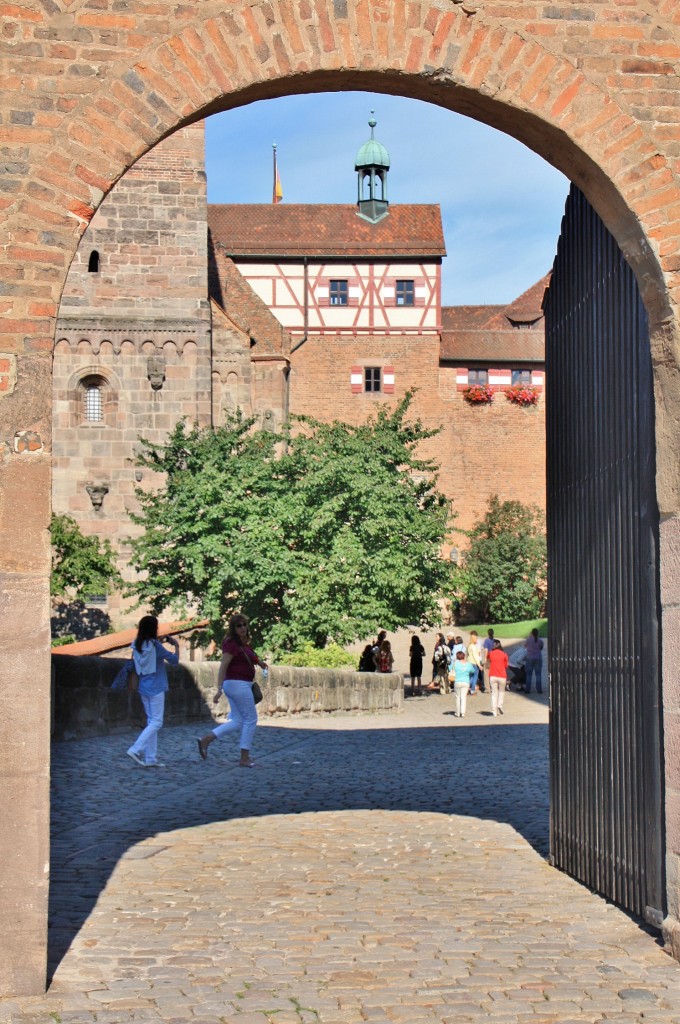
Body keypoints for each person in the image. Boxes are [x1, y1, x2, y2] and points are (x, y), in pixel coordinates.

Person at [197, 613, 268, 768]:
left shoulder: (243, 644)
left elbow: (251, 657)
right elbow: (223, 665)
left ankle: (206, 740)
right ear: (233, 628)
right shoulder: (231, 644)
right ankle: (244, 758)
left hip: (240, 684)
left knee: (238, 721)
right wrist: (219, 688)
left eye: (244, 625)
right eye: (239, 626)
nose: (243, 628)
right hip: (237, 684)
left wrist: (260, 663)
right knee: (251, 719)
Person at [126, 615, 179, 768]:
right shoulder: (156, 646)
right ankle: (135, 749)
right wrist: (176, 646)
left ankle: (150, 758)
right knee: (157, 722)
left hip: (143, 686)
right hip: (156, 687)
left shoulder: (136, 644)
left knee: (151, 722)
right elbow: (174, 661)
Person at [487, 638, 509, 717]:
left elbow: (488, 660)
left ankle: (494, 711)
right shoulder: (504, 654)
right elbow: (506, 665)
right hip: (502, 675)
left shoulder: (491, 653)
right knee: (501, 692)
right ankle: (500, 705)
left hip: (493, 675)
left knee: (494, 693)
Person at [450, 650, 474, 718]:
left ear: (457, 657)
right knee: (463, 697)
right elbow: (473, 671)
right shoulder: (468, 664)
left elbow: (450, 669)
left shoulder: (455, 663)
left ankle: (458, 713)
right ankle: (462, 712)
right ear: (464, 656)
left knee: (458, 697)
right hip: (465, 682)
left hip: (457, 681)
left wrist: (454, 661)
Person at [524, 627, 545, 694]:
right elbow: (541, 648)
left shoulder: (528, 640)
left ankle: (527, 689)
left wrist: (529, 637)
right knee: (538, 675)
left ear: (532, 633)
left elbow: (525, 646)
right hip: (538, 658)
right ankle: (539, 690)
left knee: (529, 675)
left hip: (530, 658)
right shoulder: (540, 641)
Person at [466, 630, 485, 695]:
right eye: (476, 639)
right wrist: (479, 665)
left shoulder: (469, 646)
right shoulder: (473, 647)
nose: (477, 640)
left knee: (471, 677)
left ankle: (467, 688)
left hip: (470, 662)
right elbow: (475, 657)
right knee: (475, 677)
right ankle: (472, 690)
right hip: (474, 663)